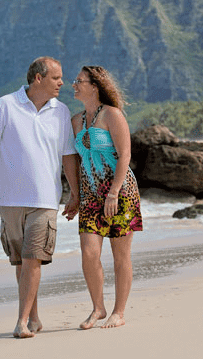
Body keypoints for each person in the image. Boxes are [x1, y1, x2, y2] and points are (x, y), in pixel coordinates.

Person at [0, 56, 80, 339]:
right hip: (10, 199)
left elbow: (68, 155)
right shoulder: (5, 105)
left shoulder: (61, 111)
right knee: (21, 262)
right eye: (56, 78)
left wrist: (74, 192)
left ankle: (21, 322)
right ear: (38, 78)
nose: (62, 83)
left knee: (33, 259)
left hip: (46, 199)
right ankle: (33, 317)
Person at [69, 65, 142, 330]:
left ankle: (118, 312)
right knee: (89, 253)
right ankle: (98, 308)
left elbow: (125, 155)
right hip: (90, 195)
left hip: (120, 193)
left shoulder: (112, 114)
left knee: (120, 254)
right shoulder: (76, 120)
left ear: (95, 86)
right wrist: (74, 194)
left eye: (79, 81)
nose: (74, 84)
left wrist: (113, 192)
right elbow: (75, 159)